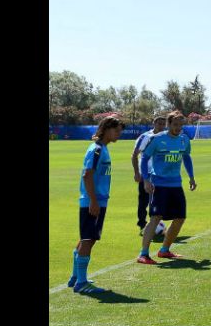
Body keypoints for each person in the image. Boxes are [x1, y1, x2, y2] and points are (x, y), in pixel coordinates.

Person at [68, 116, 125, 293]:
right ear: (106, 129)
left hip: (97, 200)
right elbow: (87, 175)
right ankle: (81, 283)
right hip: (92, 201)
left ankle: (75, 277)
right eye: (116, 131)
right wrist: (93, 200)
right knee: (88, 239)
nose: (119, 134)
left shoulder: (103, 149)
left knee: (87, 237)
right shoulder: (97, 150)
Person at [137, 111, 197, 264]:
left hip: (176, 184)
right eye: (175, 124)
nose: (178, 128)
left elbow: (186, 157)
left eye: (181, 125)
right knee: (156, 218)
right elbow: (144, 159)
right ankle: (143, 254)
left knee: (180, 218)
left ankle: (164, 250)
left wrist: (191, 177)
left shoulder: (184, 140)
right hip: (159, 185)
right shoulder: (156, 139)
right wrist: (146, 180)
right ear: (168, 124)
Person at [132, 115, 166, 235]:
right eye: (159, 124)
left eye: (163, 124)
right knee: (144, 201)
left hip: (160, 175)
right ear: (154, 124)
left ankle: (156, 224)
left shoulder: (167, 137)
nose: (162, 126)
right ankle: (142, 225)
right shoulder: (145, 137)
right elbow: (134, 155)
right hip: (146, 174)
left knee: (159, 200)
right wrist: (137, 173)